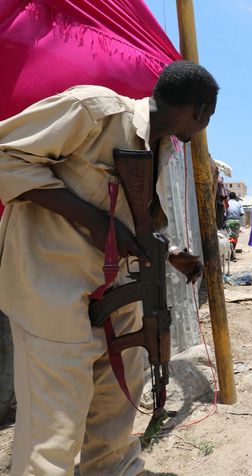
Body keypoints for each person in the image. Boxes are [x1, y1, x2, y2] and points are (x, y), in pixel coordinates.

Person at [0, 60, 218, 475]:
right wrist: (95, 223)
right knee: (55, 433)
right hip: (52, 292)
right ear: (201, 111)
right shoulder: (95, 110)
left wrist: (170, 251)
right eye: (206, 119)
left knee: (114, 417)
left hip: (117, 296)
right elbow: (5, 157)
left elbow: (135, 219)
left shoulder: (160, 148)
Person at [225, 191, 244, 261]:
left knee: (230, 238)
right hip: (236, 221)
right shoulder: (239, 204)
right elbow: (242, 213)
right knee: (235, 238)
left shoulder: (226, 203)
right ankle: (233, 254)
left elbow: (224, 214)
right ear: (235, 197)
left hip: (229, 221)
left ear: (229, 197)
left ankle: (232, 254)